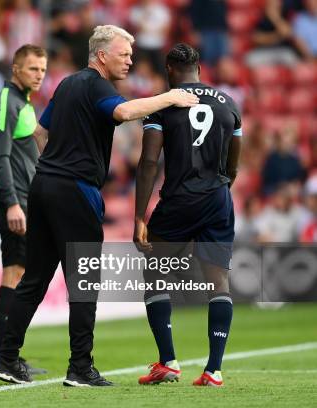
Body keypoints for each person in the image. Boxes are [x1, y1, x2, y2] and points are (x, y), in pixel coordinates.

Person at [0, 25, 198, 387]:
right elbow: (125, 112)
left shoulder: (67, 84)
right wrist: (170, 97)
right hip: (75, 192)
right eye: (124, 54)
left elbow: (41, 132)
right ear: (102, 55)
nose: (130, 60)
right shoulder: (99, 87)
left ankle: (6, 359)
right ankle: (80, 368)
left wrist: (54, 167)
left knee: (34, 279)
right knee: (85, 283)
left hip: (43, 186)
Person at [133, 43, 242, 387]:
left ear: (169, 69)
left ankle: (168, 362)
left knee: (154, 272)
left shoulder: (163, 104)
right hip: (218, 198)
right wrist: (221, 187)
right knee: (218, 282)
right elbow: (233, 161)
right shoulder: (229, 104)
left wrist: (139, 216)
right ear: (200, 68)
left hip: (180, 199)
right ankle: (214, 370)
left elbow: (150, 161)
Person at [0, 44, 48, 375]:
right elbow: (1, 157)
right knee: (14, 274)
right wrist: (11, 203)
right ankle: (4, 359)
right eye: (33, 69)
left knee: (21, 274)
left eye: (42, 69)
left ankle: (8, 356)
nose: (39, 75)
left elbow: (33, 141)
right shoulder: (6, 104)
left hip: (27, 199)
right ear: (15, 69)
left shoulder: (23, 102)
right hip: (16, 201)